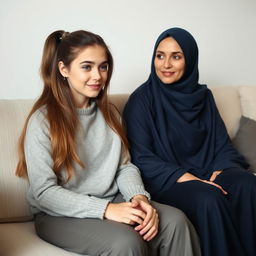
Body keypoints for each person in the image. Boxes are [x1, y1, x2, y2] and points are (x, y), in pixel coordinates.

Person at [15, 29, 201, 256]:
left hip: (114, 198)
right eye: (87, 67)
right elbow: (44, 192)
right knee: (125, 243)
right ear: (64, 69)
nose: (98, 76)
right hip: (58, 214)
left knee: (176, 222)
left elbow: (125, 166)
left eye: (103, 67)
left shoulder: (111, 114)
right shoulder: (42, 121)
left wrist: (139, 197)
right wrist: (105, 209)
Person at [123, 27, 256, 256]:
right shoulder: (141, 101)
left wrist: (219, 170)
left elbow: (222, 144)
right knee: (209, 198)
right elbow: (142, 158)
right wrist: (193, 179)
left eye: (176, 56)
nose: (165, 64)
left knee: (248, 184)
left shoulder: (203, 97)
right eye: (160, 55)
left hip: (209, 170)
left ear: (190, 60)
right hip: (168, 180)